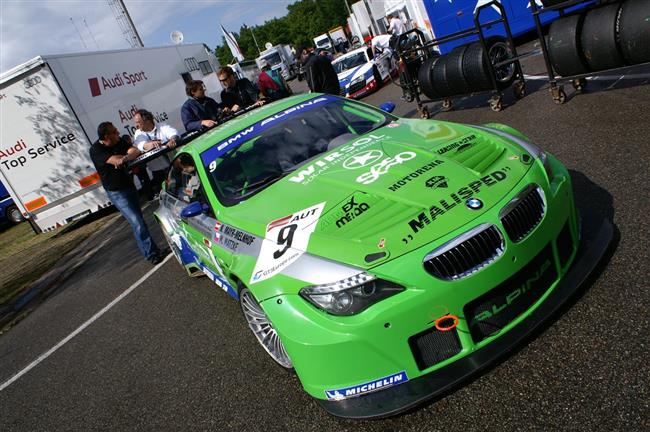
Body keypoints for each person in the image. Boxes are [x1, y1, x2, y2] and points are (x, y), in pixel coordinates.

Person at [89, 122, 166, 264]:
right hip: (117, 192)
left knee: (140, 221)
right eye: (115, 132)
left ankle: (154, 250)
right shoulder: (96, 149)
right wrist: (124, 157)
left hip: (129, 185)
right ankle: (151, 255)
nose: (118, 133)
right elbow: (115, 160)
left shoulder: (120, 142)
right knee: (137, 223)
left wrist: (125, 158)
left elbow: (135, 151)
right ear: (107, 136)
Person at [133, 109, 179, 198]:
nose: (136, 125)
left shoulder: (162, 127)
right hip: (158, 173)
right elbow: (140, 144)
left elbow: (174, 133)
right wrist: (149, 145)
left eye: (139, 122)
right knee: (166, 197)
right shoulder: (138, 133)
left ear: (147, 120)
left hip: (174, 167)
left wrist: (173, 139)